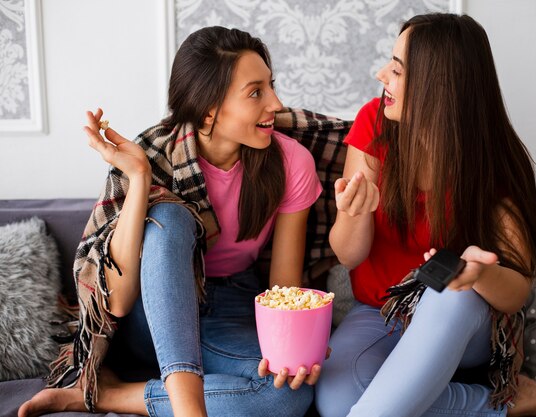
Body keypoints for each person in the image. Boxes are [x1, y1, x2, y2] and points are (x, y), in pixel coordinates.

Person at [19, 26, 322, 417]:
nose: (276, 103)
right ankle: (186, 409)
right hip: (150, 313)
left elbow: (283, 290)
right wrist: (141, 178)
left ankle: (105, 395)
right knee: (170, 216)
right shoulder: (153, 156)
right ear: (210, 108)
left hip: (231, 304)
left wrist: (295, 347)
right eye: (256, 92)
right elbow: (120, 300)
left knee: (286, 393)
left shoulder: (290, 162)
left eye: (271, 86)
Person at [315, 13, 536, 417]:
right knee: (337, 403)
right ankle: (509, 404)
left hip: (463, 321)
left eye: (398, 70)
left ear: (438, 87)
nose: (382, 74)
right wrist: (353, 214)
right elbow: (349, 256)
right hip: (379, 311)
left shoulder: (494, 165)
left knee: (450, 295)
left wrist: (479, 275)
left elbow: (517, 292)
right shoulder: (375, 123)